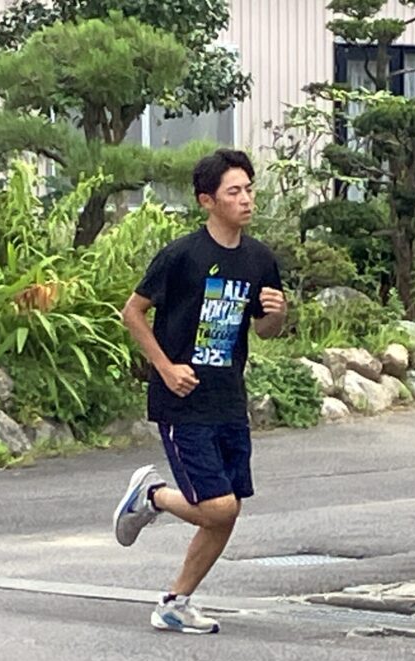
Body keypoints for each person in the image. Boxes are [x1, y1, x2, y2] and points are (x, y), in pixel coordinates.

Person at [112, 148, 286, 634]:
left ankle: (175, 602)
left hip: (228, 397)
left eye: (249, 189)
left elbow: (266, 330)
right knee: (218, 506)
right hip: (182, 401)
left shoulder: (259, 259)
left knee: (227, 511)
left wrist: (277, 313)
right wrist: (166, 368)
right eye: (234, 191)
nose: (246, 199)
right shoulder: (182, 256)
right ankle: (153, 495)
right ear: (207, 201)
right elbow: (133, 312)